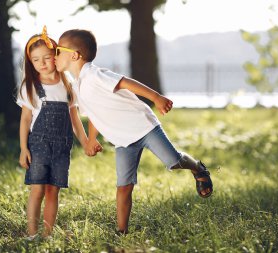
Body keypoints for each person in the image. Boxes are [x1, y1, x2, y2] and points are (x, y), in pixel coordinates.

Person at [54, 29, 213, 234]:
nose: (54, 55)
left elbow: (125, 82)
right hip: (123, 141)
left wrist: (156, 97)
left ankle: (198, 168)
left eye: (58, 50)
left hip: (144, 127)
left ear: (74, 55)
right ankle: (122, 231)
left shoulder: (95, 74)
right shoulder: (78, 87)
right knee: (123, 186)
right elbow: (94, 114)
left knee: (173, 161)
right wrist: (91, 139)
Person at [16, 26, 90, 240]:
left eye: (47, 58)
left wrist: (85, 142)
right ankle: (32, 234)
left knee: (53, 191)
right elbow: (25, 119)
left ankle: (47, 234)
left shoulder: (68, 85)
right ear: (30, 61)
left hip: (62, 147)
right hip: (38, 145)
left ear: (56, 55)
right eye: (36, 60)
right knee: (37, 189)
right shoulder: (30, 86)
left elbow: (74, 119)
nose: (42, 63)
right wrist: (23, 149)